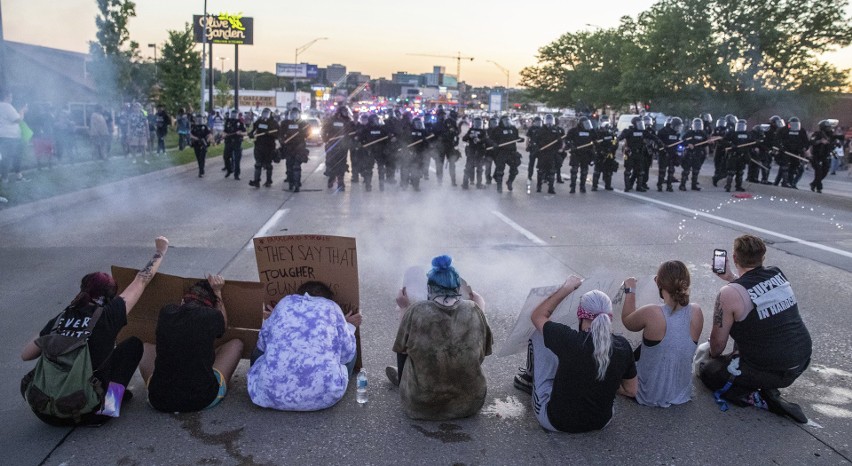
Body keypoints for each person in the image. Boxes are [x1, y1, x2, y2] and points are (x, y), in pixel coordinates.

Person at [21, 236, 170, 426]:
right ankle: (111, 403)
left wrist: (51, 330)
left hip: (46, 413)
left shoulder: (61, 318)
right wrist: (160, 251)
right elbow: (141, 280)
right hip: (94, 413)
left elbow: (26, 355)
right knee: (132, 345)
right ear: (110, 296)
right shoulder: (108, 315)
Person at [698, 235, 811, 423]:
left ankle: (757, 397)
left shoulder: (729, 293)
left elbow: (717, 347)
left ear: (734, 258)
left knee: (708, 372)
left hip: (772, 368)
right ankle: (763, 383)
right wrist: (730, 278)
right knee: (751, 326)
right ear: (763, 257)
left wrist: (713, 358)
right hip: (802, 361)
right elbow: (754, 295)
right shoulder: (777, 273)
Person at [515, 277, 637, 433]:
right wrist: (603, 383)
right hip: (601, 421)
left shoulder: (569, 339)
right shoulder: (623, 346)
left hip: (556, 422)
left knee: (539, 334)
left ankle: (528, 379)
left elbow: (537, 316)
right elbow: (631, 390)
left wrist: (566, 288)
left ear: (580, 315)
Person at [388, 255, 493, 420]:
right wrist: (477, 301)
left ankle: (403, 380)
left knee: (408, 347)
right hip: (470, 403)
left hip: (421, 406)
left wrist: (404, 308)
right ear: (458, 287)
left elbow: (402, 346)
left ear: (429, 288)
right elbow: (484, 349)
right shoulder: (474, 309)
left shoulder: (416, 311)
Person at [247, 281, 361, 411]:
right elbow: (347, 355)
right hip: (325, 397)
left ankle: (266, 378)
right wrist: (349, 326)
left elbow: (262, 345)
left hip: (267, 394)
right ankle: (332, 382)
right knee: (351, 347)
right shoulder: (332, 307)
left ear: (299, 294)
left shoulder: (284, 303)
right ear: (327, 298)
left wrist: (273, 318)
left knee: (260, 351)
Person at [140, 275, 244, 413]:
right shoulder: (211, 317)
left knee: (145, 347)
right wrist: (218, 292)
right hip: (202, 399)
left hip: (159, 400)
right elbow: (223, 327)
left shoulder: (166, 312)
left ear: (183, 301)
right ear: (210, 307)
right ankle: (213, 381)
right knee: (236, 344)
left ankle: (160, 385)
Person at [621, 261, 704, 407]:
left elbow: (628, 321)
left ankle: (623, 389)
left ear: (657, 282)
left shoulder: (652, 312)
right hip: (680, 392)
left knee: (618, 350)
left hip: (648, 393)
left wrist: (630, 291)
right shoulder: (696, 311)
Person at [322, 105, 355, 191]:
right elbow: (324, 130)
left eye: (346, 112)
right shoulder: (331, 120)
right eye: (344, 112)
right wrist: (325, 138)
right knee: (331, 163)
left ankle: (341, 182)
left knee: (342, 164)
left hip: (343, 146)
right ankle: (331, 178)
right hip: (332, 145)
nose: (345, 113)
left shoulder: (348, 121)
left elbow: (352, 132)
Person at [278, 108, 310, 192]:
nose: (294, 115)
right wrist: (282, 141)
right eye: (292, 113)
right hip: (289, 147)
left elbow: (308, 133)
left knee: (296, 166)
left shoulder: (303, 124)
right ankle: (291, 183)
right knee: (289, 166)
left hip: (299, 147)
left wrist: (303, 132)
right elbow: (280, 134)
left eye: (296, 113)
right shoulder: (285, 123)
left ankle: (296, 184)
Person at [531, 114, 564, 194]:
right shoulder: (540, 130)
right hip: (543, 153)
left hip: (552, 153)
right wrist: (537, 148)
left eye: (550, 120)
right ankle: (539, 186)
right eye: (547, 120)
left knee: (552, 171)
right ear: (545, 121)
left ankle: (551, 188)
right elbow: (534, 141)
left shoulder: (555, 130)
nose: (549, 122)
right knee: (541, 171)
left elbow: (559, 142)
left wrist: (559, 147)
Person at [0, 88, 27, 183]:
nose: (12, 98)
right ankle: (5, 179)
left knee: (5, 157)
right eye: (11, 96)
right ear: (7, 96)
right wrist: (22, 111)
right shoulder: (7, 106)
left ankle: (12, 177)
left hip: (3, 136)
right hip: (10, 137)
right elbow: (18, 120)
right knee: (12, 157)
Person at [490, 116, 523, 193]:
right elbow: (491, 139)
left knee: (514, 170)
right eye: (505, 121)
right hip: (501, 152)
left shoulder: (513, 129)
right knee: (500, 170)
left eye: (508, 121)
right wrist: (494, 144)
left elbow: (516, 138)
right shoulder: (497, 130)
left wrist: (520, 139)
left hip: (512, 152)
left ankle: (510, 182)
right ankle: (499, 186)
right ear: (501, 122)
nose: (507, 123)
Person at [248, 108, 279, 188]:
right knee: (258, 164)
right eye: (264, 113)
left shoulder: (274, 123)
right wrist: (251, 134)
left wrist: (269, 133)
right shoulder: (259, 121)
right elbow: (253, 130)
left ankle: (268, 181)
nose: (265, 115)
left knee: (268, 165)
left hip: (269, 147)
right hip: (259, 145)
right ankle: (256, 181)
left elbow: (278, 133)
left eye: (267, 113)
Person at [679, 118, 709, 191]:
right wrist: (688, 144)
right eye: (696, 125)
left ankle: (694, 185)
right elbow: (682, 140)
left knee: (696, 171)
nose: (698, 126)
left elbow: (705, 144)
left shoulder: (703, 133)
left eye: (699, 125)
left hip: (698, 154)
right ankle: (682, 185)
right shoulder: (690, 133)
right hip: (689, 154)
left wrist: (707, 152)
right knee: (686, 171)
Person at [809, 119, 836, 193]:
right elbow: (812, 141)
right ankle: (819, 187)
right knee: (818, 171)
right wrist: (820, 141)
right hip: (816, 155)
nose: (829, 129)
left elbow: (832, 144)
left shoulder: (830, 135)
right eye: (827, 127)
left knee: (825, 171)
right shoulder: (817, 134)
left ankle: (814, 183)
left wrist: (835, 143)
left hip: (825, 155)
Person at [461, 117, 489, 189]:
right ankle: (465, 184)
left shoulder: (483, 131)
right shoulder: (471, 130)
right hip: (471, 151)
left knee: (479, 169)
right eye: (476, 122)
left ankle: (479, 184)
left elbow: (486, 139)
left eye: (479, 123)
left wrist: (480, 140)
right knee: (468, 168)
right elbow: (464, 138)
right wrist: (469, 136)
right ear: (473, 123)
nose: (478, 124)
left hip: (479, 152)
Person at [222, 110, 246, 179]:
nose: (233, 115)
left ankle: (237, 174)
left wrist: (240, 133)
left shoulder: (240, 122)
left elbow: (245, 133)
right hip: (228, 142)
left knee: (237, 159)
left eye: (235, 114)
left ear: (237, 115)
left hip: (237, 142)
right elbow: (224, 131)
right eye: (232, 114)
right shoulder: (228, 121)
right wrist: (224, 134)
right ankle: (229, 170)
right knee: (226, 157)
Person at [189, 113, 212, 178]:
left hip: (203, 144)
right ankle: (201, 169)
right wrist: (195, 138)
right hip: (196, 144)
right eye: (198, 118)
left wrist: (207, 140)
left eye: (200, 118)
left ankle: (201, 171)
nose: (199, 120)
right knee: (198, 158)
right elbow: (190, 134)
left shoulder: (205, 127)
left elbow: (210, 134)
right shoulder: (194, 127)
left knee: (202, 157)